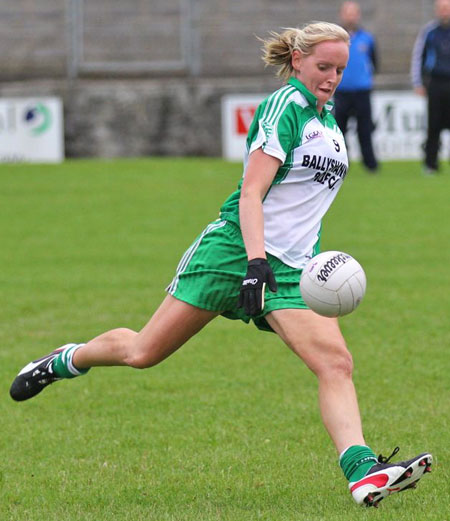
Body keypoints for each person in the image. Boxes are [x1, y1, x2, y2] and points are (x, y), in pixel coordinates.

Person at [10, 22, 432, 507]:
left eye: (339, 69)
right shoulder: (285, 108)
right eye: (323, 67)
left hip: (291, 272)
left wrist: (308, 266)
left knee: (335, 362)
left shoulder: (329, 118)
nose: (332, 78)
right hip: (234, 252)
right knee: (143, 353)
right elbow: (252, 193)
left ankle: (362, 472)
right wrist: (255, 262)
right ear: (297, 61)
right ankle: (66, 359)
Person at [333, 1, 379, 172]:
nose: (350, 16)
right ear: (342, 15)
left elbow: (374, 63)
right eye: (347, 13)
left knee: (365, 129)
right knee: (339, 131)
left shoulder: (367, 38)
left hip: (362, 91)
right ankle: (340, 164)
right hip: (341, 90)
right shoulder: (334, 40)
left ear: (358, 15)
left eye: (353, 13)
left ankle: (370, 164)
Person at [411, 0, 450, 174]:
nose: (445, 12)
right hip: (436, 83)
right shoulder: (429, 32)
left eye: (447, 8)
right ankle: (430, 164)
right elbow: (418, 57)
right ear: (437, 10)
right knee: (433, 125)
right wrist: (417, 82)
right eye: (442, 8)